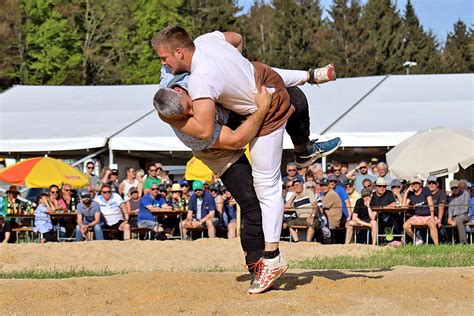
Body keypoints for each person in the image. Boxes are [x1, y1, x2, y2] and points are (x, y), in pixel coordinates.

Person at [152, 26, 339, 293]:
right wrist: (262, 108)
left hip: (235, 110)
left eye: (190, 103)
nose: (194, 109)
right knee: (252, 203)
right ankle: (258, 266)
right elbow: (237, 140)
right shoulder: (193, 127)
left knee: (282, 90)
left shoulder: (186, 72)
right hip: (220, 147)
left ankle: (304, 147)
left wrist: (236, 66)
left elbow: (238, 43)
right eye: (188, 112)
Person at [402, 177, 438, 245]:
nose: (415, 185)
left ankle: (437, 246)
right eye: (413, 183)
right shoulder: (411, 194)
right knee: (405, 225)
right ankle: (417, 240)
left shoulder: (426, 190)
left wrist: (432, 217)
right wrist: (406, 192)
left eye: (417, 183)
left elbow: (431, 204)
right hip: (418, 216)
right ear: (411, 185)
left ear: (420, 184)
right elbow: (403, 206)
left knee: (432, 224)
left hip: (428, 216)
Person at [447, 179, 471, 244]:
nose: (454, 189)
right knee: (444, 221)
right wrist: (449, 218)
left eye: (456, 187)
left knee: (459, 220)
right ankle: (447, 241)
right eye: (452, 188)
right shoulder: (450, 198)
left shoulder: (466, 194)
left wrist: (455, 220)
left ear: (459, 187)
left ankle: (463, 243)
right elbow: (450, 209)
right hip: (454, 217)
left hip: (465, 216)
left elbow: (465, 210)